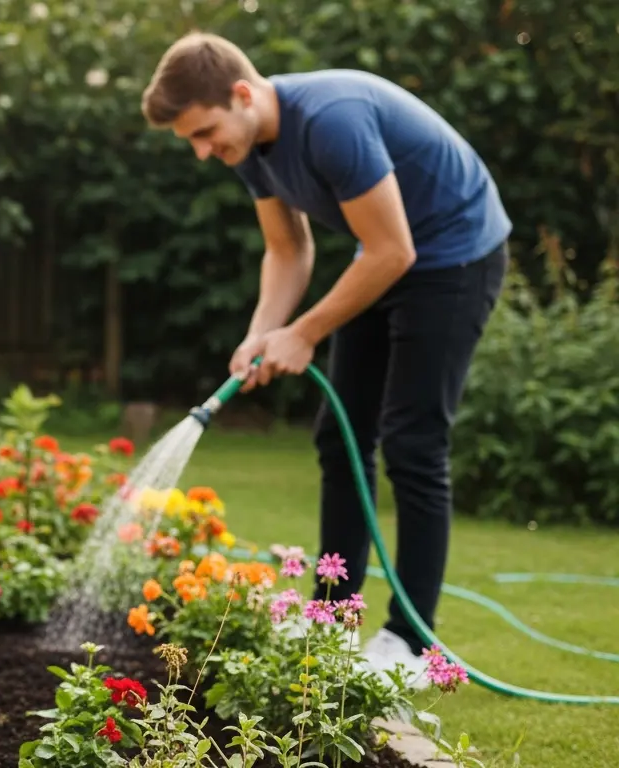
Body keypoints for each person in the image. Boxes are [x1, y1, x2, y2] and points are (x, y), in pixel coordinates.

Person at [141, 32, 510, 687]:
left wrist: (304, 332)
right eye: (192, 142)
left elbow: (395, 251)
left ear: (242, 94)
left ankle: (413, 642)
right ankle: (330, 615)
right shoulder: (251, 148)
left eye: (205, 132)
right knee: (339, 436)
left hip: (455, 254)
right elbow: (288, 250)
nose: (203, 153)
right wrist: (263, 333)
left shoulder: (331, 121)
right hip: (388, 257)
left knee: (413, 443)